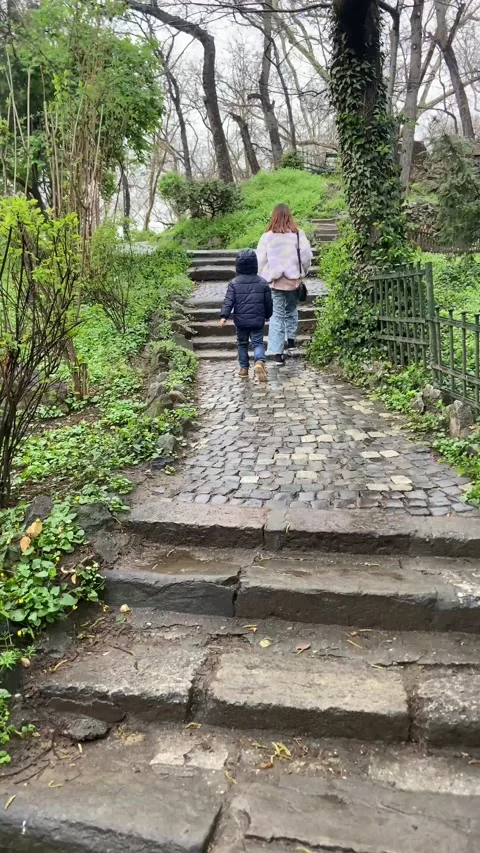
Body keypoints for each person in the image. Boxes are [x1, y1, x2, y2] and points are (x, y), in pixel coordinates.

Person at [256, 203, 313, 365]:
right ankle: (291, 340)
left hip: (275, 282)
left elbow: (260, 261)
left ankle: (277, 352)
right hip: (293, 280)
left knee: (277, 315)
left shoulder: (267, 236)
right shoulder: (297, 234)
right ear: (289, 216)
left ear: (273, 217)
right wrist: (303, 271)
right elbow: (307, 256)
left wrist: (264, 276)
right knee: (292, 309)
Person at [220, 248, 273, 381]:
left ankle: (244, 369)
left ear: (237, 266)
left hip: (241, 320)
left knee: (242, 344)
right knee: (257, 343)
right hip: (257, 320)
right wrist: (268, 314)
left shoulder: (234, 283)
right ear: (255, 264)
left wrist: (224, 316)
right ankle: (259, 362)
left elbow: (229, 301)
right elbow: (268, 302)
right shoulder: (262, 283)